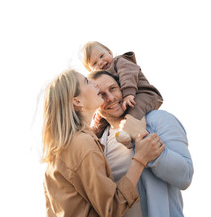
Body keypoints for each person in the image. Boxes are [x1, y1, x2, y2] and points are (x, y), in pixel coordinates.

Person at [42, 69, 165, 216]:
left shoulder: (62, 149)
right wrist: (140, 158)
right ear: (77, 101)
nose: (95, 84)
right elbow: (111, 209)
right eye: (87, 82)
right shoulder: (83, 145)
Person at [88, 70, 194, 217]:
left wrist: (143, 140)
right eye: (101, 94)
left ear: (123, 88)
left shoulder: (159, 120)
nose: (111, 98)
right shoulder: (98, 143)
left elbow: (185, 176)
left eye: (113, 89)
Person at [82, 41, 163, 148]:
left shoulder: (120, 61)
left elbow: (128, 75)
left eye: (102, 56)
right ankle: (92, 135)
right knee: (102, 118)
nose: (101, 62)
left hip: (143, 94)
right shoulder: (102, 78)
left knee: (134, 113)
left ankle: (136, 137)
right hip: (127, 98)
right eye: (94, 63)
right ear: (90, 70)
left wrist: (128, 94)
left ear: (109, 52)